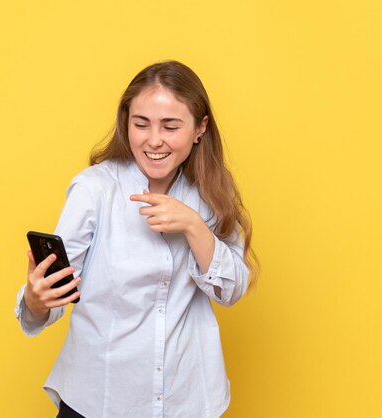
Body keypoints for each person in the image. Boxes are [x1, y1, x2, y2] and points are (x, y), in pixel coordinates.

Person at [14, 60, 258, 418]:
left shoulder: (209, 195)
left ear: (199, 128)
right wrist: (37, 300)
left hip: (187, 399)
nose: (153, 140)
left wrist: (193, 226)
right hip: (101, 399)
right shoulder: (95, 189)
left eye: (170, 126)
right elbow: (52, 298)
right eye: (140, 124)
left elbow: (232, 290)